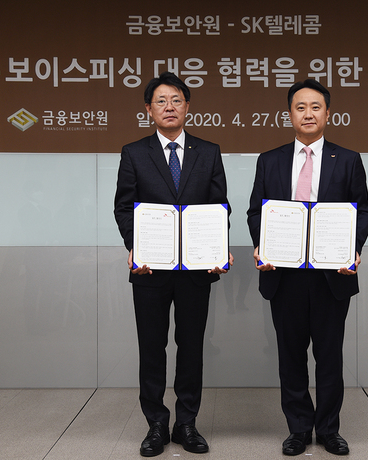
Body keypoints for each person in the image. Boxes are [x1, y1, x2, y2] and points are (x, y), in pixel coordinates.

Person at [247, 79, 368, 456]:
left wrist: (352, 249)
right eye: (300, 107)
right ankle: (299, 429)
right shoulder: (269, 160)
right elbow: (256, 212)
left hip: (331, 275)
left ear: (328, 113)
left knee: (330, 357)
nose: (308, 113)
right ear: (289, 114)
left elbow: (362, 211)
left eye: (315, 107)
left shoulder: (347, 159)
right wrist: (262, 245)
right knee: (291, 357)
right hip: (283, 275)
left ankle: (329, 430)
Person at [114, 72, 232, 457]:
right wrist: (135, 247)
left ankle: (186, 423)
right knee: (152, 347)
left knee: (191, 346)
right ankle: (156, 424)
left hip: (195, 269)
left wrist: (218, 248)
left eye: (176, 100)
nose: (169, 107)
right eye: (161, 101)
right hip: (150, 269)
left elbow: (220, 207)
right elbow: (124, 207)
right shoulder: (134, 152)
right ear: (148, 110)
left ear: (187, 107)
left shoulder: (208, 152)